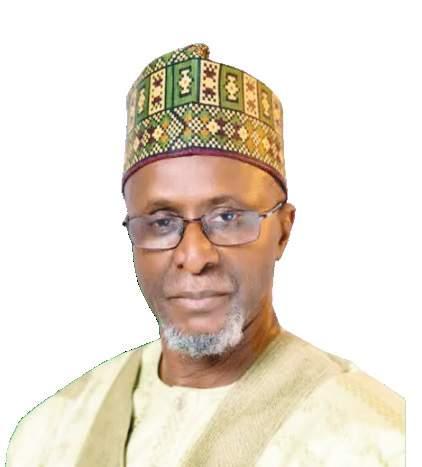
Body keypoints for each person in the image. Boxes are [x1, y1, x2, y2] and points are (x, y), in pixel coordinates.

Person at [6, 43, 405, 467]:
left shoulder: (374, 442)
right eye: (161, 222)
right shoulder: (48, 437)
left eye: (228, 217)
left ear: (283, 231)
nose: (194, 257)